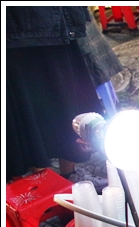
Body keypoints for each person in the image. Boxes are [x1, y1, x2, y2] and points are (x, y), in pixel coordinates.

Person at [6, 6, 106, 180]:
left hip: (60, 21)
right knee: (27, 107)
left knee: (68, 101)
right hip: (18, 27)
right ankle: (39, 184)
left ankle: (70, 175)